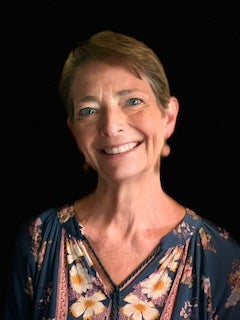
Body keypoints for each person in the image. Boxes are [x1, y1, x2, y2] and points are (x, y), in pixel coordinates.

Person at [3, 30, 240, 320]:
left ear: (168, 117)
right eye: (89, 110)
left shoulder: (220, 257)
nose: (111, 126)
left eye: (132, 101)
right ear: (75, 131)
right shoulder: (39, 240)